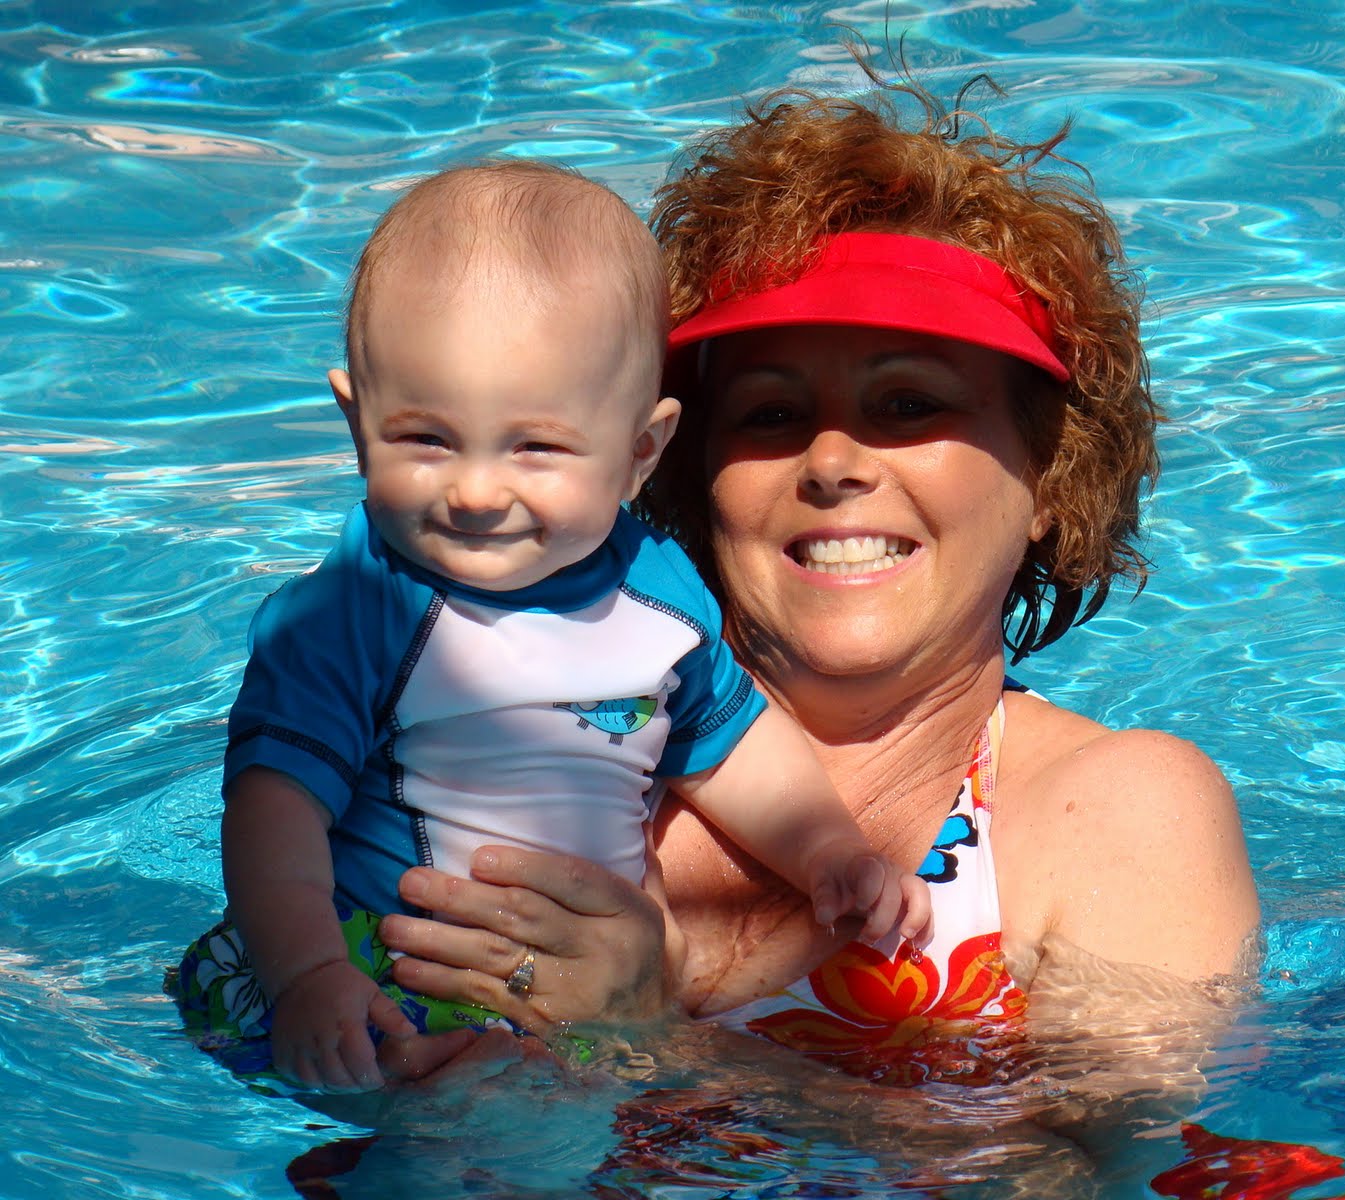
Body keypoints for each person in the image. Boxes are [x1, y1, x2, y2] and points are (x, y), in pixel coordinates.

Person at [368, 79, 1261, 1126]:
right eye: (771, 413)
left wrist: (650, 1041)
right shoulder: (513, 739)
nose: (832, 461)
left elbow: (1089, 1176)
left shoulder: (1112, 812)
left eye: (908, 403)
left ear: (1051, 480)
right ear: (678, 470)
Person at [171, 160, 931, 1096]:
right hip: (377, 967)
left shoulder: (660, 590)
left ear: (641, 452)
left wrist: (828, 851)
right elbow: (274, 806)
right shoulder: (357, 609)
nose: (476, 491)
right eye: (426, 439)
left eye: (535, 447)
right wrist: (309, 974)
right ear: (356, 422)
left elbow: (729, 744)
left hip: (556, 999)